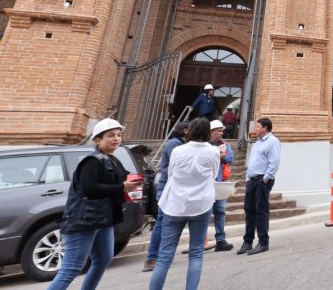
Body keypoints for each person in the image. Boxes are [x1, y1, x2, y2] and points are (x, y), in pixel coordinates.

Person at [48, 118, 141, 290]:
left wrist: (131, 186)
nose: (116, 139)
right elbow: (89, 188)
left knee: (103, 260)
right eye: (110, 135)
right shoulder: (92, 161)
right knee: (71, 269)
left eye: (119, 135)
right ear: (98, 140)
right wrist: (122, 187)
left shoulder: (113, 159)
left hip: (103, 219)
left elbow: (116, 185)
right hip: (84, 221)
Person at [149, 118, 220, 290]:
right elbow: (214, 174)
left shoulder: (178, 150)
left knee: (165, 256)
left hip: (175, 204)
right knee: (196, 254)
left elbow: (171, 173)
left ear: (190, 131)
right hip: (200, 205)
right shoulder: (214, 151)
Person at [143, 121, 190, 272]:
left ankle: (160, 255)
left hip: (171, 188)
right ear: (185, 130)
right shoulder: (175, 145)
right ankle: (152, 257)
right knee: (162, 223)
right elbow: (180, 166)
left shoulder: (177, 143)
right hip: (168, 189)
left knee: (166, 223)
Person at [237, 117, 281, 255]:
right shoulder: (257, 143)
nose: (255, 129)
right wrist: (249, 178)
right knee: (249, 209)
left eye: (257, 126)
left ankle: (263, 242)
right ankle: (247, 242)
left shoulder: (273, 142)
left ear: (265, 128)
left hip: (262, 180)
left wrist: (266, 179)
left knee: (261, 210)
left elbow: (274, 162)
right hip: (252, 180)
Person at [209, 119, 235, 252]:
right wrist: (218, 155)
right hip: (206, 185)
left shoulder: (225, 145)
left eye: (222, 131)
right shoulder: (204, 145)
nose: (221, 133)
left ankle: (220, 240)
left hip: (219, 184)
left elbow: (230, 158)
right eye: (218, 131)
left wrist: (221, 156)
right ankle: (200, 241)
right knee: (204, 213)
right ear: (211, 132)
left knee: (220, 211)